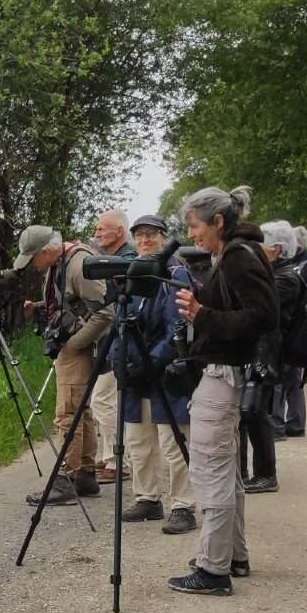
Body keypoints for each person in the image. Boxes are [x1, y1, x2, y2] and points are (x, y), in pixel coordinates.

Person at [169, 185, 278, 596]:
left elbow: (263, 316)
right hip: (227, 373)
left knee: (211, 470)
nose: (192, 234)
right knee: (226, 471)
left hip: (224, 375)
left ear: (217, 221)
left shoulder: (237, 256)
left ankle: (213, 571)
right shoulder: (235, 254)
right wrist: (205, 304)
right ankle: (233, 555)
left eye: (195, 226)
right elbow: (245, 309)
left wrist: (203, 314)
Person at [17, 225, 115, 506]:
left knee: (67, 413)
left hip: (77, 348)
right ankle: (85, 474)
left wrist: (74, 344)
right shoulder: (62, 261)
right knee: (80, 411)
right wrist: (38, 307)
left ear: (46, 251)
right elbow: (71, 302)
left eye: (33, 259)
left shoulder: (78, 264)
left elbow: (106, 313)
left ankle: (64, 479)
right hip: (72, 344)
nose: (33, 266)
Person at [114, 215, 197, 534]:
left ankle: (183, 505)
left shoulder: (175, 274)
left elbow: (178, 327)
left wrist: (151, 361)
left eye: (151, 234)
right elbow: (119, 320)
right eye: (139, 235)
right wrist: (120, 361)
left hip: (165, 373)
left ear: (164, 237)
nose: (145, 240)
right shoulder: (132, 273)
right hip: (136, 375)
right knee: (138, 441)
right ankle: (148, 498)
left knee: (174, 442)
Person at [238, 220, 301, 494]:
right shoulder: (274, 274)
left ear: (276, 249)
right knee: (249, 412)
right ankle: (244, 471)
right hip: (260, 352)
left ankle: (266, 474)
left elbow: (254, 306)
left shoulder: (285, 278)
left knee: (255, 412)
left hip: (269, 355)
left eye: (261, 244)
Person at [89, 209, 138, 483]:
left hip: (120, 337)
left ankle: (116, 462)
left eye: (101, 229)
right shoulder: (117, 258)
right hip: (112, 336)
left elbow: (112, 299)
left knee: (103, 400)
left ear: (119, 231)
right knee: (103, 399)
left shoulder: (125, 260)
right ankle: (108, 455)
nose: (96, 234)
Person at [272, 224, 307, 440]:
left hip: (290, 330)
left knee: (279, 380)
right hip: (299, 330)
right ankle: (295, 424)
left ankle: (277, 426)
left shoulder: (299, 269)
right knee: (293, 380)